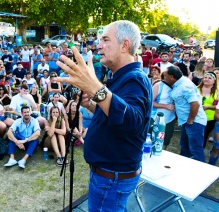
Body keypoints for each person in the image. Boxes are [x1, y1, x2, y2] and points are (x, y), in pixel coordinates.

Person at [56, 20, 152, 211]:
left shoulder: (135, 79)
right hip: (107, 175)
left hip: (112, 178)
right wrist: (91, 104)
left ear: (124, 45)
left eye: (105, 40)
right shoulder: (119, 76)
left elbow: (132, 121)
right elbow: (113, 114)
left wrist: (95, 87)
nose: (98, 45)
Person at [163, 65, 206, 162]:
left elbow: (195, 104)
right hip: (186, 122)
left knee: (196, 150)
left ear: (171, 77)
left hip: (194, 122)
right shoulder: (179, 83)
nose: (164, 78)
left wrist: (190, 120)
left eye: (165, 76)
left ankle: (202, 173)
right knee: (185, 148)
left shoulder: (185, 86)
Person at [151, 79, 176, 150]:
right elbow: (150, 102)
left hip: (170, 119)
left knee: (165, 142)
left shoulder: (178, 87)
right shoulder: (159, 85)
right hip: (155, 118)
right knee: (152, 139)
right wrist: (166, 106)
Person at [197, 72, 218, 148]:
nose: (206, 79)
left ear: (214, 80)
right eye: (205, 77)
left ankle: (199, 153)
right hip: (195, 116)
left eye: (209, 78)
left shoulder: (217, 92)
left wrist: (207, 107)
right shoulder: (196, 89)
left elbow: (217, 106)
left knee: (203, 136)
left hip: (209, 119)